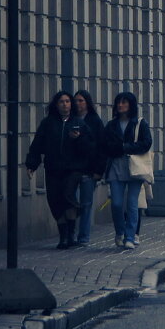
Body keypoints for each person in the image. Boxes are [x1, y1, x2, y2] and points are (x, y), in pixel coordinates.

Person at [26, 91, 94, 248]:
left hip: (73, 169)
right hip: (53, 168)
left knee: (68, 196)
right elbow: (37, 145)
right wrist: (31, 164)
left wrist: (78, 139)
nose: (65, 104)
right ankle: (63, 235)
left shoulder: (79, 123)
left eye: (68, 101)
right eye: (62, 102)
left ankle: (70, 235)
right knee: (55, 201)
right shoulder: (48, 124)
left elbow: (90, 147)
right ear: (56, 105)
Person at [101, 91, 152, 249]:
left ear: (131, 105)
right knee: (116, 203)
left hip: (135, 167)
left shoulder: (140, 123)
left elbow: (146, 143)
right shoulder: (111, 125)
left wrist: (125, 147)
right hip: (116, 166)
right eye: (119, 102)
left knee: (132, 204)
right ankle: (120, 232)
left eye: (124, 102)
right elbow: (105, 145)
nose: (121, 105)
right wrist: (117, 149)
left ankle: (130, 237)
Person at [72, 90, 105, 245]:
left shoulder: (95, 121)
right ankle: (70, 235)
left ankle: (83, 237)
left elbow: (100, 148)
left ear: (87, 103)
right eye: (76, 101)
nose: (78, 104)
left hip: (89, 170)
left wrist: (99, 170)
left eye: (81, 101)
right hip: (71, 169)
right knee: (72, 203)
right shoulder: (70, 119)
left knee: (86, 204)